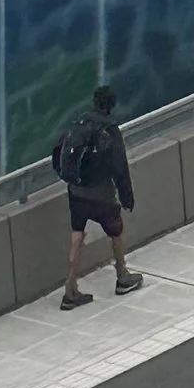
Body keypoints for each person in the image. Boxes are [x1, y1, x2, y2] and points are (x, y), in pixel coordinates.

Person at [50, 81, 143, 308]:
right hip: (101, 194)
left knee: (77, 236)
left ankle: (70, 289)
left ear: (94, 102)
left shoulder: (80, 122)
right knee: (115, 233)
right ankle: (122, 276)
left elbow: (61, 150)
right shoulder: (109, 130)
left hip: (76, 192)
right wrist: (127, 197)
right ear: (111, 105)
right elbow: (119, 166)